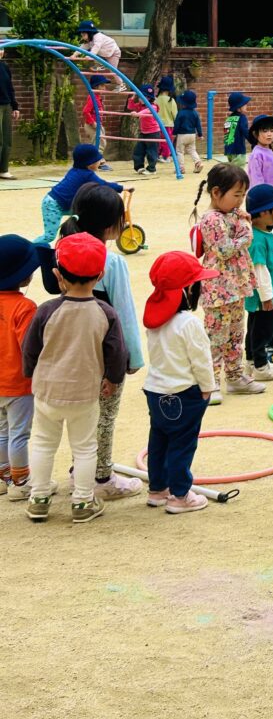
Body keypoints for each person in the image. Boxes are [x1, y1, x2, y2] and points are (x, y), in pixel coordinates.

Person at [22, 233, 128, 524]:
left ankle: (38, 499)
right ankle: (82, 501)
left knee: (43, 443)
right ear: (100, 275)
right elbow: (117, 353)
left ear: (58, 275)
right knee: (84, 447)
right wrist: (113, 379)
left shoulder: (47, 310)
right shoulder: (105, 313)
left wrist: (30, 374)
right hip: (84, 393)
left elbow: (30, 349)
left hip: (47, 391)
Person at [55, 185, 145, 501]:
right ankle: (101, 478)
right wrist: (132, 357)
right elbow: (123, 312)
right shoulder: (111, 261)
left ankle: (80, 469)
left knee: (82, 416)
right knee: (104, 417)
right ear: (111, 225)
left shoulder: (63, 249)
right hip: (104, 353)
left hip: (73, 350)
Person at [142, 251, 219, 513]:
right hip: (184, 393)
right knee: (182, 443)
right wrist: (207, 388)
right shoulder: (188, 323)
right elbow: (201, 360)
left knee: (159, 440)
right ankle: (180, 495)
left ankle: (157, 490)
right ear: (188, 289)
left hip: (155, 390)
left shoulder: (155, 320)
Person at [190, 163, 263, 399]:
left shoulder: (231, 214)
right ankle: (210, 382)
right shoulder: (212, 219)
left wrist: (242, 223)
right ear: (216, 192)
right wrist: (246, 234)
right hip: (219, 288)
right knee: (216, 337)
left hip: (236, 286)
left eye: (243, 195)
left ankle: (234, 376)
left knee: (235, 334)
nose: (240, 201)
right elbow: (223, 249)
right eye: (236, 195)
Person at [0, 235, 40, 500]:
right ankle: (21, 481)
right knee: (19, 434)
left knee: (2, 431)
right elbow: (29, 347)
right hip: (19, 384)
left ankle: (3, 477)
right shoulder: (25, 307)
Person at [243, 183, 273, 383]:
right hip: (264, 298)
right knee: (263, 331)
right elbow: (260, 271)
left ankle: (251, 362)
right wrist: (267, 298)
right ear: (264, 213)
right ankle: (261, 366)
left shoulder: (263, 235)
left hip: (264, 296)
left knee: (254, 329)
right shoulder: (258, 240)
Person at [39, 143, 127, 244]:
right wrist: (122, 188)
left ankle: (80, 241)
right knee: (49, 236)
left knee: (84, 213)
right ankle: (32, 248)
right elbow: (103, 185)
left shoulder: (76, 170)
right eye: (98, 160)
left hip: (60, 203)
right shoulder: (86, 175)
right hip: (53, 205)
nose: (101, 162)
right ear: (90, 163)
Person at [248, 114, 273, 189]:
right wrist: (262, 193)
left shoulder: (271, 151)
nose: (269, 134)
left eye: (272, 131)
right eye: (265, 131)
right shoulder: (257, 154)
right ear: (255, 134)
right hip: (264, 193)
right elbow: (256, 179)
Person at [132, 85, 162, 176]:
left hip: (153, 133)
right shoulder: (140, 106)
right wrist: (132, 99)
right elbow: (131, 106)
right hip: (143, 132)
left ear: (149, 98)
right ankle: (139, 167)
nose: (140, 99)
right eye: (140, 97)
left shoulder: (153, 106)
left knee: (151, 152)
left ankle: (152, 169)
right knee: (138, 150)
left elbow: (147, 111)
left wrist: (138, 114)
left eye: (143, 97)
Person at [0, 45, 20, 179]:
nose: (1, 52)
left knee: (7, 139)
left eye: (2, 49)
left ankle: (3, 169)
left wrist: (15, 106)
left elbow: (10, 88)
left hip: (6, 105)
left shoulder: (4, 67)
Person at [173, 89, 204, 175]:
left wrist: (174, 134)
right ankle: (198, 162)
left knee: (180, 151)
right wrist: (200, 134)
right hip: (192, 134)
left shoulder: (181, 113)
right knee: (192, 150)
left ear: (183, 103)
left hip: (182, 135)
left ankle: (181, 168)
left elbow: (177, 124)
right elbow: (198, 124)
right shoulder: (195, 113)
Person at [80, 74, 109, 147]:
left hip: (97, 124)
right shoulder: (93, 98)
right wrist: (92, 122)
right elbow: (85, 111)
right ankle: (96, 154)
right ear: (96, 86)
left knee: (101, 143)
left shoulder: (97, 97)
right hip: (91, 125)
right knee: (100, 143)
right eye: (102, 86)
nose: (104, 88)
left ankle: (94, 153)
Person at [224, 91, 251, 165]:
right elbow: (245, 131)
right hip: (239, 151)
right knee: (238, 170)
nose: (246, 105)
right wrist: (254, 141)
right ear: (238, 108)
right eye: (244, 104)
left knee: (231, 169)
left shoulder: (229, 118)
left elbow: (226, 133)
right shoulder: (242, 118)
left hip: (229, 150)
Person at [155, 75, 177, 163]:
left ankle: (158, 155)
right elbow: (175, 115)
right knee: (167, 141)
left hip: (157, 125)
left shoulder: (156, 100)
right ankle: (166, 157)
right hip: (168, 125)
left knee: (159, 141)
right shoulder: (171, 101)